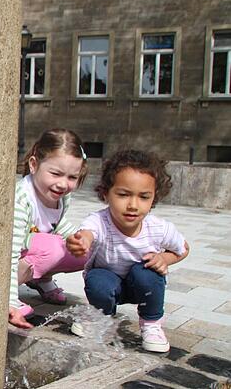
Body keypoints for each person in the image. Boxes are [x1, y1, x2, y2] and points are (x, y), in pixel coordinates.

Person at [67, 149, 189, 353]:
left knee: (148, 273)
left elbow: (183, 248)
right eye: (123, 195)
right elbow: (88, 232)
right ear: (106, 193)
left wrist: (164, 259)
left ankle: (151, 324)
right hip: (109, 284)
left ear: (153, 199)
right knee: (98, 279)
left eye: (144, 197)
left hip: (142, 286)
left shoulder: (159, 228)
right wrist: (82, 241)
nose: (133, 205)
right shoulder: (99, 221)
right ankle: (100, 317)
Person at [9, 129, 89, 329]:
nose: (63, 184)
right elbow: (9, 252)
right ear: (34, 165)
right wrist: (9, 301)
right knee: (52, 247)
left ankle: (41, 280)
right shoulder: (22, 200)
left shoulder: (61, 196)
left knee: (86, 249)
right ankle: (13, 290)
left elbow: (55, 223)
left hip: (33, 252)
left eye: (72, 177)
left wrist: (79, 238)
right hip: (11, 263)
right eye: (55, 174)